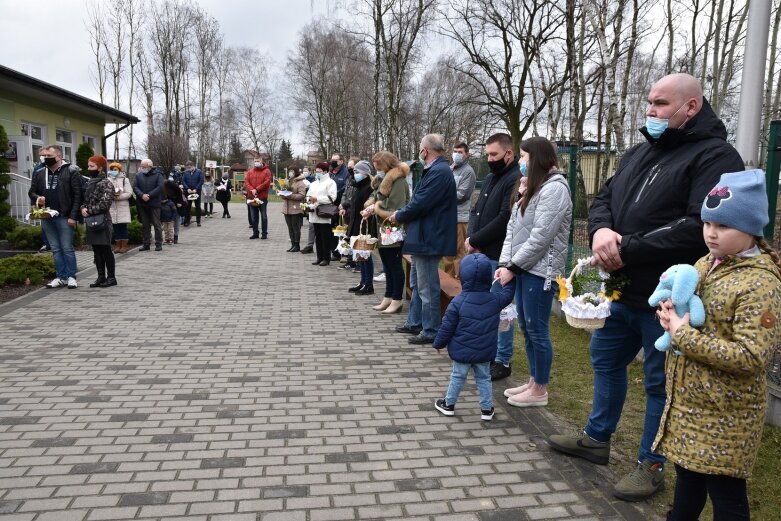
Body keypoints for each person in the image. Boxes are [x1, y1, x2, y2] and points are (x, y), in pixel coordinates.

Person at [546, 73, 745, 502]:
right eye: (649, 103)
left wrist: (627, 247)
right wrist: (601, 233)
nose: (650, 112)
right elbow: (603, 199)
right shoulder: (640, 151)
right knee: (605, 361)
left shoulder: (715, 156)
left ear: (690, 107)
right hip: (620, 290)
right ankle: (597, 438)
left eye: (659, 104)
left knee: (660, 383)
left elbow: (698, 226)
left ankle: (651, 464)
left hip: (667, 297)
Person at [656, 170, 781, 521]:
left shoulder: (760, 282)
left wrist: (682, 335)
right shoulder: (707, 263)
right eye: (707, 223)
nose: (711, 233)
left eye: (723, 226)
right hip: (690, 405)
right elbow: (687, 310)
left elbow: (751, 356)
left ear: (750, 229)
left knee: (726, 496)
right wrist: (669, 316)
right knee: (687, 481)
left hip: (727, 415)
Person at [495, 137, 572, 407]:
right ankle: (533, 381)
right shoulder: (531, 187)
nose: (519, 162)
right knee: (527, 328)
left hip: (541, 272)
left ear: (537, 158)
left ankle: (540, 389)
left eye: (523, 157)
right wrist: (505, 264)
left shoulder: (555, 189)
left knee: (537, 330)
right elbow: (512, 231)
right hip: (523, 268)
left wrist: (513, 267)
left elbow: (540, 238)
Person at [389, 134, 457, 344]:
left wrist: (399, 215)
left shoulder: (439, 172)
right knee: (418, 284)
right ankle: (415, 322)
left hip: (430, 237)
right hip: (423, 236)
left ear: (425, 151)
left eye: (420, 149)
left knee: (428, 288)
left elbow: (421, 203)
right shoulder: (436, 170)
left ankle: (430, 329)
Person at [433, 253, 516, 421]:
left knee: (458, 376)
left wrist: (438, 343)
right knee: (484, 378)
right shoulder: (495, 299)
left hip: (461, 350)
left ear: (462, 277)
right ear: (488, 277)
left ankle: (449, 404)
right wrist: (510, 277)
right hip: (485, 351)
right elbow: (508, 294)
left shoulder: (457, 302)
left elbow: (447, 327)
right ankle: (486, 409)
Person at [465, 133, 521, 381]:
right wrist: (471, 238)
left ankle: (503, 359)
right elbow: (477, 211)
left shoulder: (515, 178)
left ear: (508, 154)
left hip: (500, 256)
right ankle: (488, 353)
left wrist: (476, 240)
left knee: (502, 311)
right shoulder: (489, 177)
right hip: (481, 253)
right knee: (487, 310)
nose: (489, 159)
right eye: (487, 154)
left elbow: (504, 218)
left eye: (494, 154)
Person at [28, 145, 82, 288]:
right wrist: (38, 198)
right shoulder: (39, 173)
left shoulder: (71, 171)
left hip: (65, 216)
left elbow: (78, 196)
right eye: (43, 156)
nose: (44, 158)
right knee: (56, 249)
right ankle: (60, 277)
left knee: (67, 248)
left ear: (58, 156)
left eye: (48, 156)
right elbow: (31, 192)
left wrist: (73, 216)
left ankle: (71, 276)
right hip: (47, 216)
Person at [364, 151, 410, 314]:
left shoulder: (398, 180)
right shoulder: (383, 180)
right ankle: (388, 296)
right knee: (387, 265)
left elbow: (395, 206)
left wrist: (375, 208)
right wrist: (372, 206)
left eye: (379, 167)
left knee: (394, 265)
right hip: (383, 229)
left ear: (387, 165)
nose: (378, 171)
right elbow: (377, 197)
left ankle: (396, 299)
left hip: (393, 229)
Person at [80, 155, 117, 288]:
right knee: (96, 250)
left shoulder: (106, 183)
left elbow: (105, 204)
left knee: (106, 249)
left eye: (92, 166)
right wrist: (83, 208)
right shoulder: (90, 183)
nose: (88, 169)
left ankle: (111, 277)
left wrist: (89, 210)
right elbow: (85, 201)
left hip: (103, 221)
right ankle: (100, 277)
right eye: (88, 166)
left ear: (100, 168)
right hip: (91, 220)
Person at [442, 142, 475, 279]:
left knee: (459, 253)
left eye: (460, 152)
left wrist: (442, 195)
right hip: (447, 217)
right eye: (455, 151)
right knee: (447, 253)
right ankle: (447, 284)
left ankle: (460, 285)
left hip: (459, 218)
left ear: (467, 154)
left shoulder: (468, 172)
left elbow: (461, 196)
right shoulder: (449, 169)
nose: (457, 154)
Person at [345, 160, 375, 295]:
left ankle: (368, 284)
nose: (354, 174)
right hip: (356, 224)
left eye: (357, 172)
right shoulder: (359, 187)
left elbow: (365, 208)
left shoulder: (368, 188)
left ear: (365, 173)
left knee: (365, 255)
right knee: (360, 256)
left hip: (363, 226)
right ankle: (363, 281)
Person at [305, 162, 337, 266]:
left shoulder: (330, 182)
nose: (317, 173)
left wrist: (317, 199)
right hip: (314, 213)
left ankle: (326, 258)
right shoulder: (314, 183)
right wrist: (309, 200)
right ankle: (319, 257)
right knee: (317, 237)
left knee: (325, 237)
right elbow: (308, 195)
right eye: (316, 171)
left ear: (325, 171)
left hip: (324, 214)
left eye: (319, 171)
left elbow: (332, 198)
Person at [133, 158, 165, 252]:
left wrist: (149, 195)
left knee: (157, 224)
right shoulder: (139, 175)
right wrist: (142, 195)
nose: (142, 168)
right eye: (141, 166)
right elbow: (135, 187)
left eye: (144, 167)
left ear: (150, 167)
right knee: (145, 225)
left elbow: (160, 187)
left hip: (154, 203)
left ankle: (158, 243)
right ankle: (146, 244)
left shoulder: (158, 175)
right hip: (142, 203)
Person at [106, 162, 132, 254]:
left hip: (122, 207)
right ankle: (118, 246)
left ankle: (124, 246)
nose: (114, 171)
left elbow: (129, 193)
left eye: (116, 169)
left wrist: (118, 197)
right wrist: (111, 196)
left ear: (119, 170)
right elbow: (106, 192)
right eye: (112, 169)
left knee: (122, 227)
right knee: (115, 227)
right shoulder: (108, 180)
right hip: (112, 207)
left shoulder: (125, 180)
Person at [280, 167, 307, 252]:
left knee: (295, 227)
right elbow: (284, 191)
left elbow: (302, 195)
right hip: (287, 208)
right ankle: (292, 244)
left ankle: (297, 245)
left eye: (292, 171)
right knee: (290, 227)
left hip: (296, 208)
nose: (290, 173)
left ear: (296, 172)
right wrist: (282, 194)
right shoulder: (288, 181)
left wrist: (290, 196)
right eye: (289, 171)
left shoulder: (300, 182)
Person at [329, 152, 350, 261]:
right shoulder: (330, 172)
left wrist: (335, 195)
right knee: (333, 230)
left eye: (335, 160)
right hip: (330, 205)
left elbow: (345, 189)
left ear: (341, 161)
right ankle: (335, 252)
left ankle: (345, 254)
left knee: (342, 230)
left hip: (341, 205)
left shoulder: (346, 173)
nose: (333, 162)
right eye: (332, 159)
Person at [245, 157, 272, 239]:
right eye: (255, 161)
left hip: (262, 197)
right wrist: (252, 189)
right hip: (251, 197)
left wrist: (257, 189)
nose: (256, 162)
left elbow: (267, 182)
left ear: (262, 161)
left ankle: (264, 233)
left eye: (258, 161)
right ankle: (255, 232)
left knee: (263, 216)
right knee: (254, 216)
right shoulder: (250, 171)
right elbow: (247, 181)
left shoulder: (266, 171)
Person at [162, 179, 185, 244]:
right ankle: (168, 237)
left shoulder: (172, 185)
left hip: (177, 203)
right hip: (167, 205)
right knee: (167, 222)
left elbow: (179, 192)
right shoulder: (160, 186)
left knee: (176, 220)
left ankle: (175, 236)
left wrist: (180, 202)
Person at [182, 161, 204, 227]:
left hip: (196, 191)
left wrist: (196, 189)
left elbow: (201, 180)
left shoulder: (199, 171)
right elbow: (183, 181)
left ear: (193, 166)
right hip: (188, 192)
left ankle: (198, 222)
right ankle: (187, 221)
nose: (189, 168)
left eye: (190, 167)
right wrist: (187, 188)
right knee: (187, 207)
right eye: (187, 167)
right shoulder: (185, 172)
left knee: (198, 206)